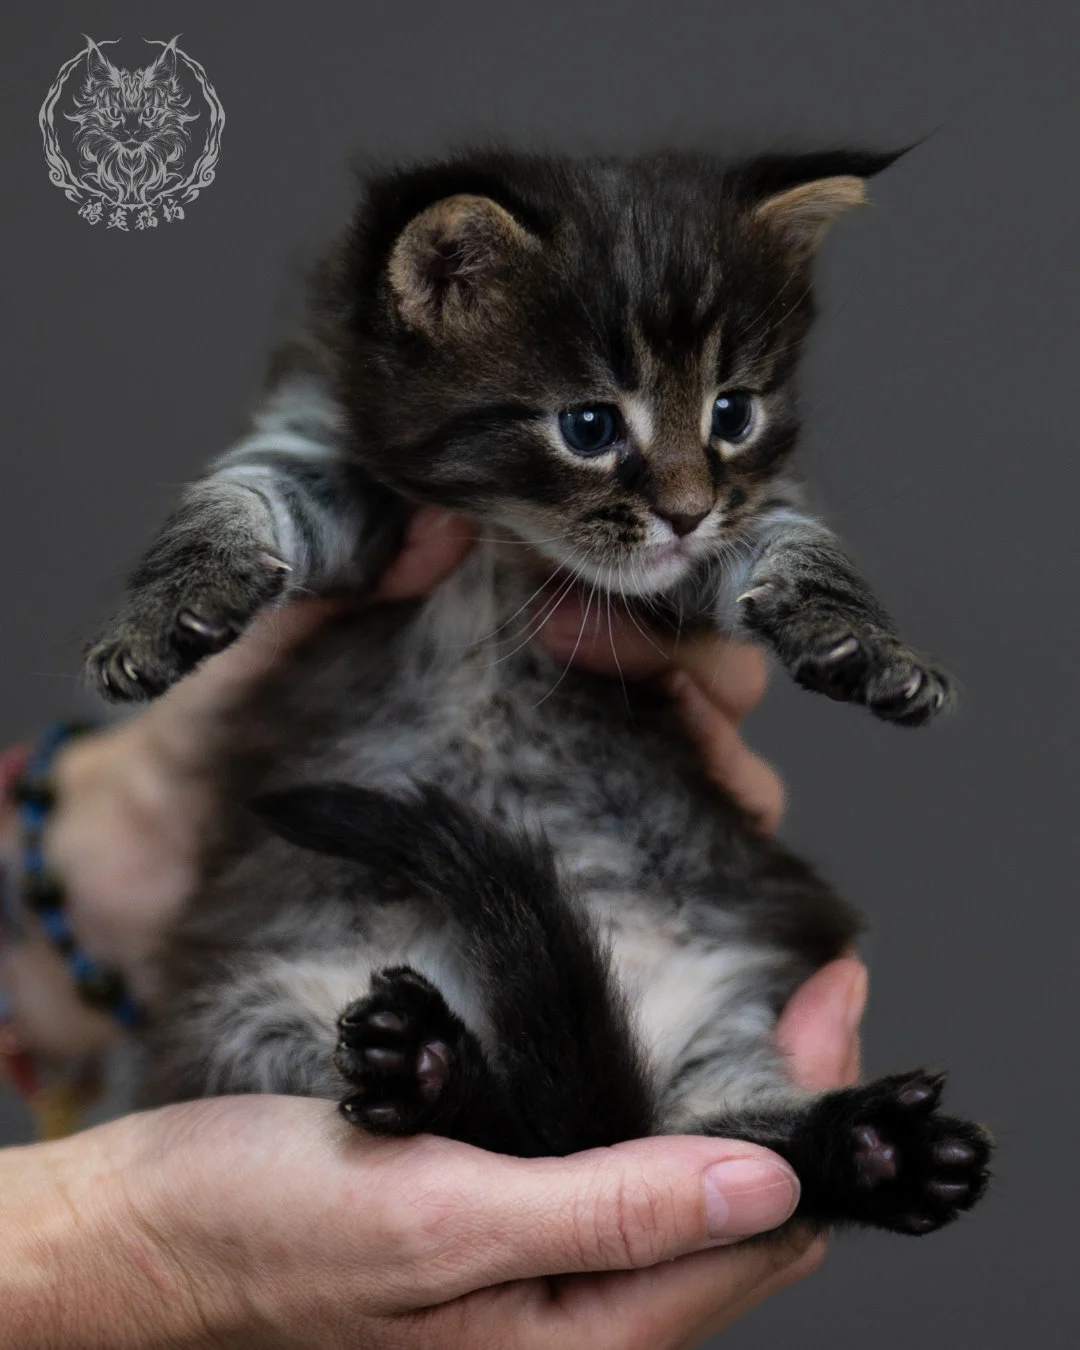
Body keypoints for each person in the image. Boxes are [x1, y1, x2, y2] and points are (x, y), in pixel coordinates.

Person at [0, 508, 868, 1350]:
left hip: (592, 977)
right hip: (420, 969)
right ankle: (471, 1091)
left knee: (725, 1042)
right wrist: (129, 1241)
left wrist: (120, 825)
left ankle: (785, 1139)